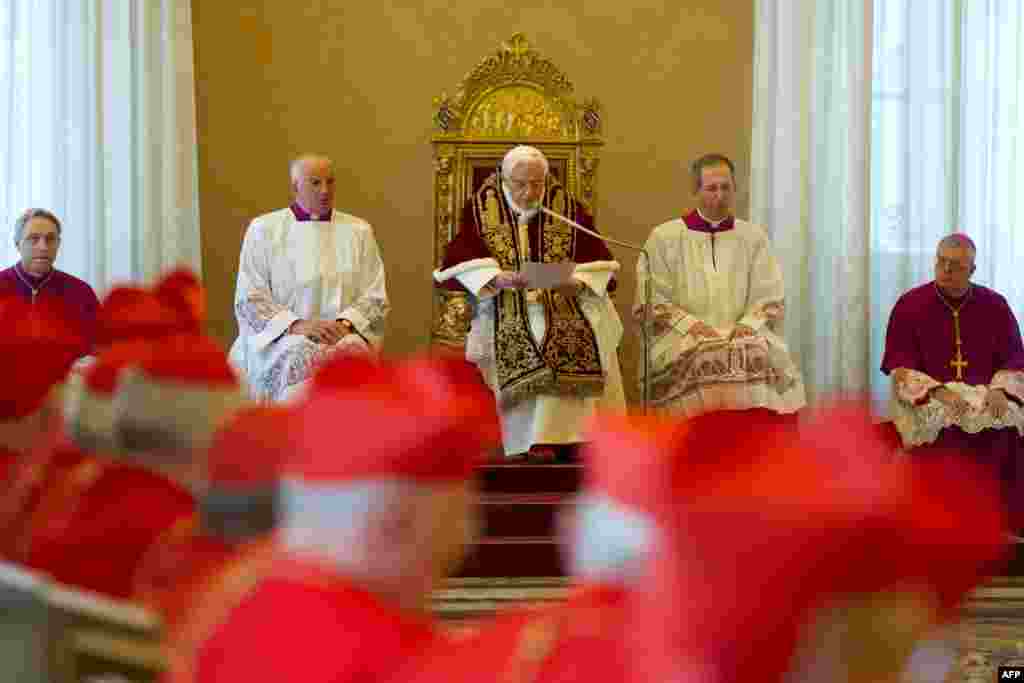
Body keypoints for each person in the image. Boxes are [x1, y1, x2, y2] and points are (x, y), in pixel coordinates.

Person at [191, 355, 501, 683]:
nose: (466, 541)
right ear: (389, 523)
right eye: (459, 520)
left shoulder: (223, 608)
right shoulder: (397, 660)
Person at [434, 145, 625, 462]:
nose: (530, 191)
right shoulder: (482, 208)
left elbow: (599, 262)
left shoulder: (565, 207)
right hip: (506, 302)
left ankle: (578, 438)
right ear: (504, 179)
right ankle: (532, 439)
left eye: (537, 183)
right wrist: (496, 277)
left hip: (563, 301)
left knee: (590, 330)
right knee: (535, 334)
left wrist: (573, 281)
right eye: (520, 184)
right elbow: (459, 258)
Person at [635, 153, 805, 418]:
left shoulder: (752, 237)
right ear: (696, 190)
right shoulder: (665, 237)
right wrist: (691, 326)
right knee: (704, 356)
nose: (720, 195)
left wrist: (749, 324)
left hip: (743, 329)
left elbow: (770, 292)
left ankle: (753, 451)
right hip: (684, 333)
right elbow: (652, 299)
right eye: (711, 188)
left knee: (755, 354)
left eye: (726, 187)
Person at [882, 233, 1024, 525]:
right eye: (941, 262)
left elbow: (1014, 357)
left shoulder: (995, 305)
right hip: (933, 395)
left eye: (956, 266)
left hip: (985, 395)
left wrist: (1000, 391)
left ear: (972, 270)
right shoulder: (910, 305)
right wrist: (940, 394)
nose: (946, 270)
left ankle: (999, 521)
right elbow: (899, 366)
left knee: (1006, 425)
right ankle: (940, 522)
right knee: (943, 427)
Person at [229, 154, 389, 402]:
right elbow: (250, 297)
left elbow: (374, 296)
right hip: (284, 338)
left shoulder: (359, 230)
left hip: (342, 335)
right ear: (295, 187)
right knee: (300, 371)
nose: (325, 191)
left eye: (330, 182)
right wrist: (297, 325)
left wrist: (345, 324)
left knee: (353, 368)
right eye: (315, 183)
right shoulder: (264, 229)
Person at [0, 208, 99, 354]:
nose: (43, 247)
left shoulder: (81, 292)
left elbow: (100, 347)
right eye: (34, 239)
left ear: (58, 244)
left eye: (50, 239)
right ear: (17, 244)